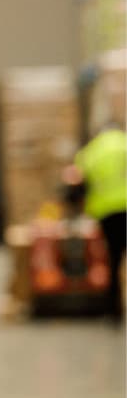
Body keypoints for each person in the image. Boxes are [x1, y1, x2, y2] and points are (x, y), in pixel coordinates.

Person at [74, 125, 127, 322]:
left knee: (113, 259)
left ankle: (115, 310)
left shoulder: (90, 153)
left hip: (107, 213)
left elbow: (78, 184)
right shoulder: (125, 143)